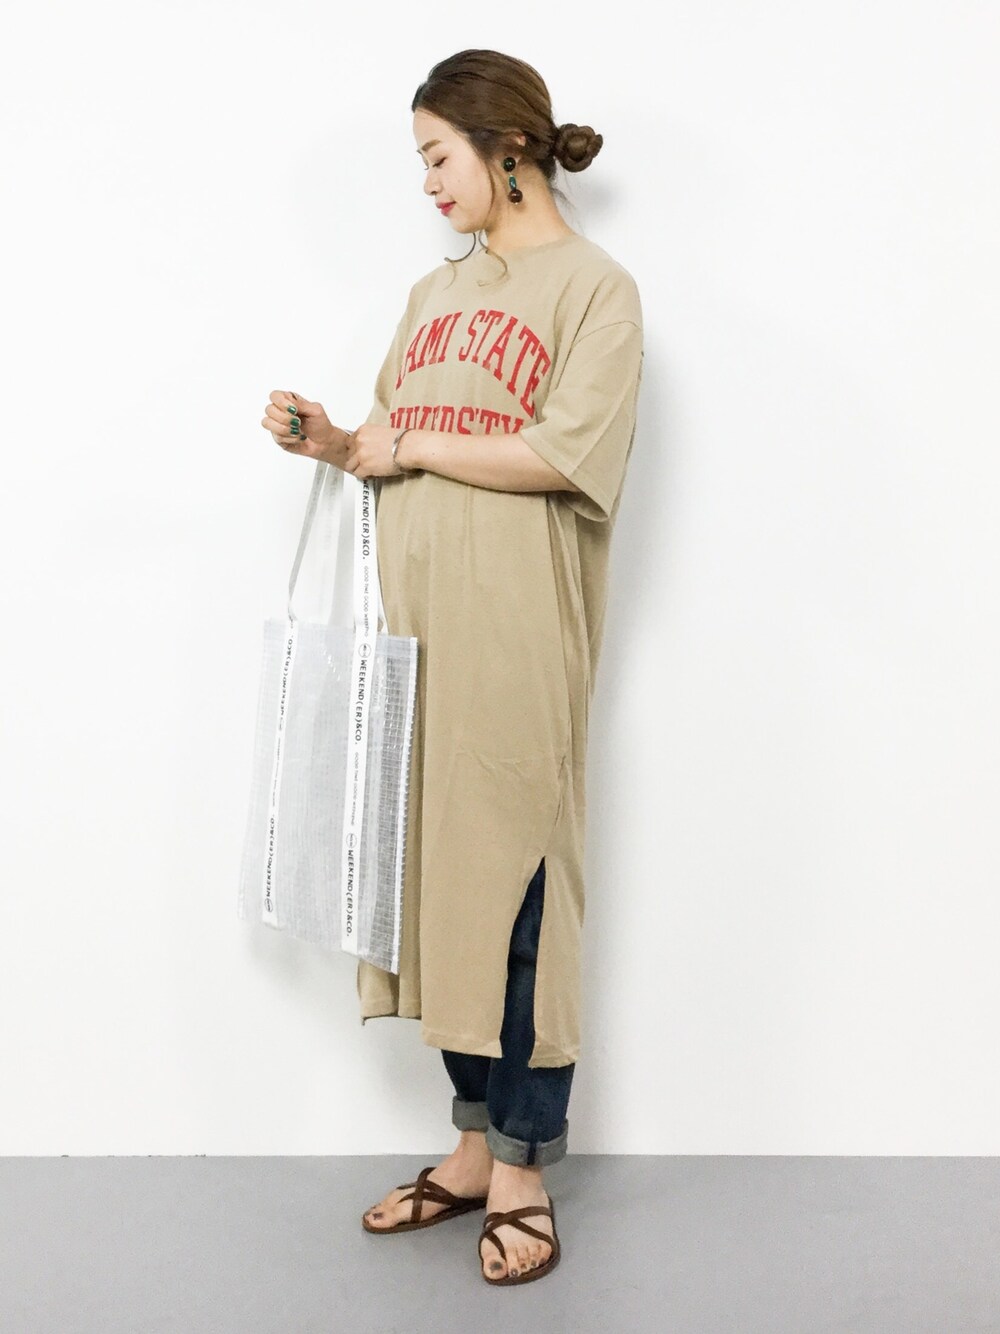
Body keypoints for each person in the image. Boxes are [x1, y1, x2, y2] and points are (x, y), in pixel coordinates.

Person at [259, 49, 643, 1287]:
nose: (426, 182)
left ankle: (524, 1165)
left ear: (506, 147)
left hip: (519, 634)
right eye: (420, 160)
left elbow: (564, 453)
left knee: (518, 889)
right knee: (434, 886)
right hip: (411, 636)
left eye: (437, 155)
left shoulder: (595, 290)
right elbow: (391, 439)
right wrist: (335, 442)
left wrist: (413, 440)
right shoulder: (434, 295)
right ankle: (473, 1145)